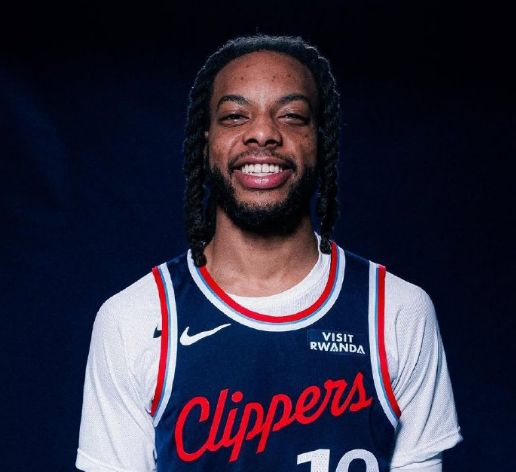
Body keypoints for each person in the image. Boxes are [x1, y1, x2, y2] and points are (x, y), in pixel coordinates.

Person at [76, 34, 462, 472]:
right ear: (205, 143)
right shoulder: (133, 318)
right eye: (235, 116)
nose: (262, 133)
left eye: (292, 116)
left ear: (320, 141)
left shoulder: (396, 312)